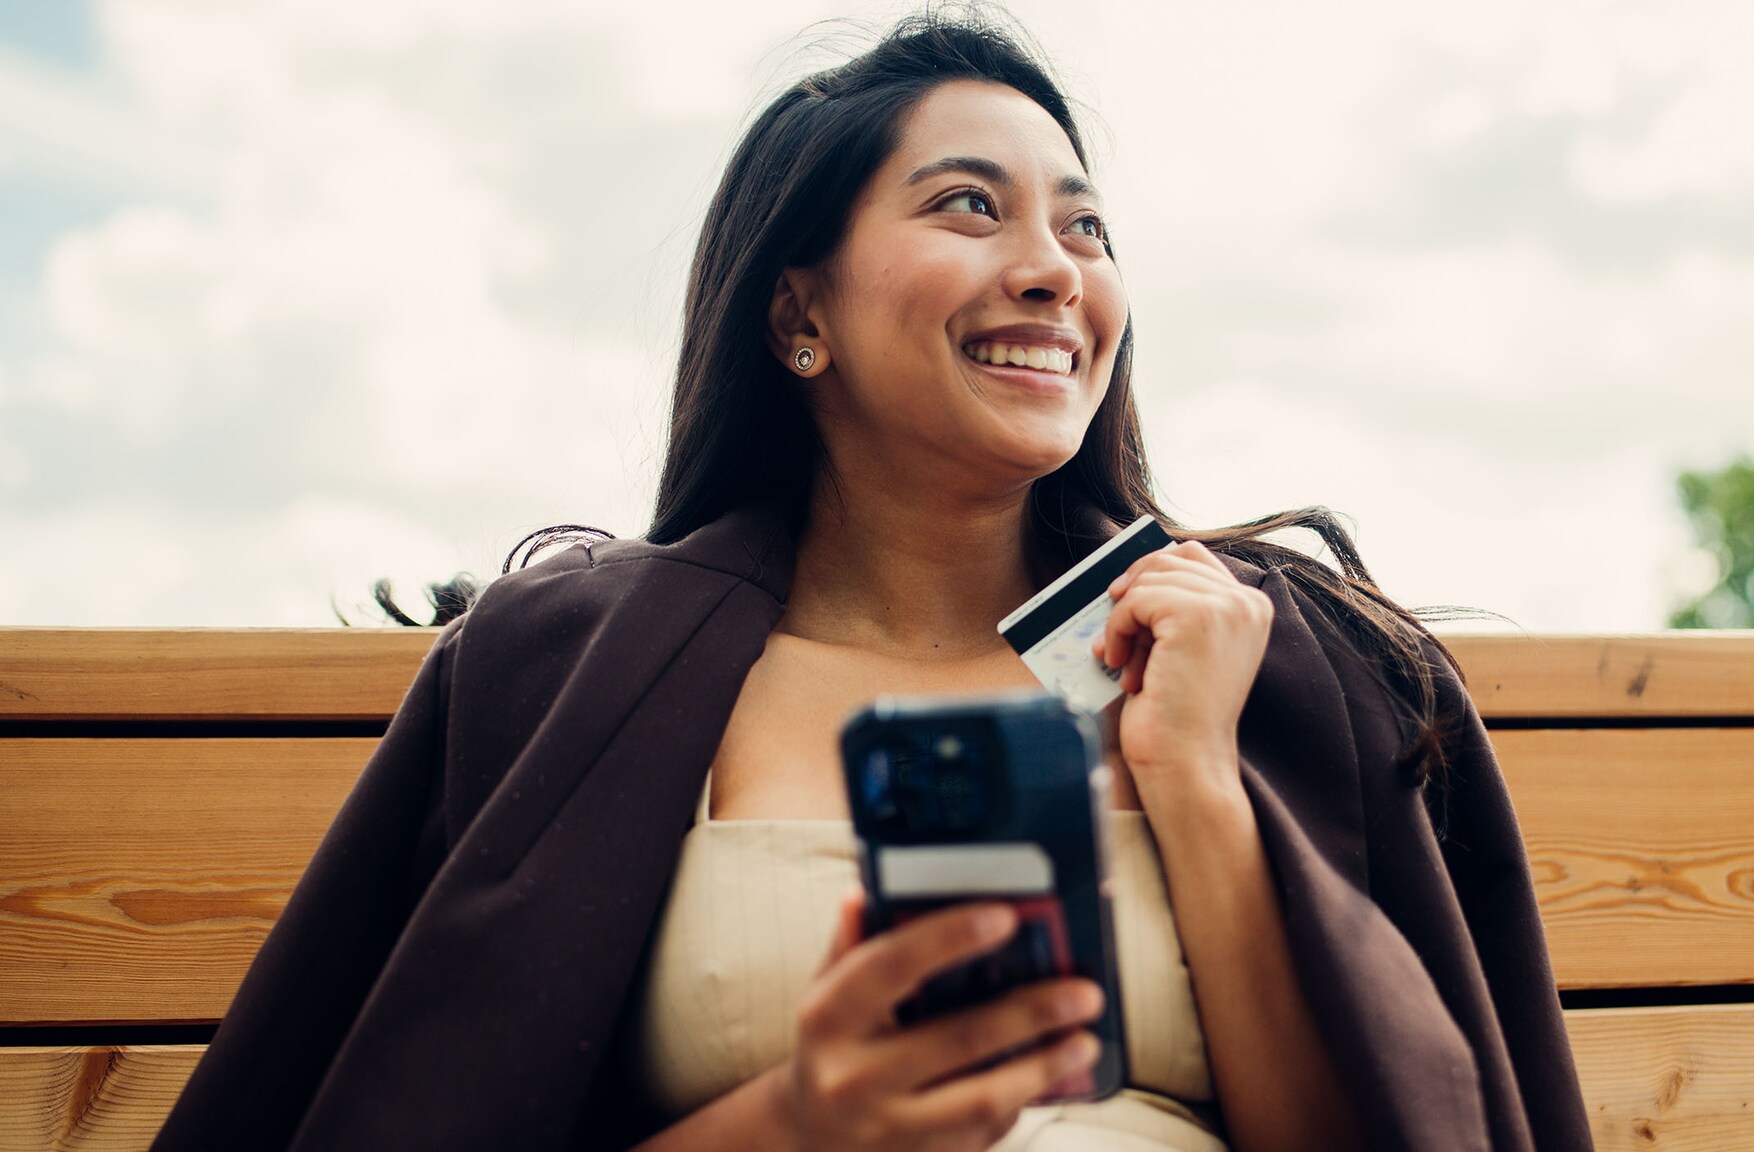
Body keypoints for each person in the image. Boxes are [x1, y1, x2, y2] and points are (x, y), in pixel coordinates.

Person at [154, 10, 1593, 1152]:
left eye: (1084, 227)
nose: (1053, 270)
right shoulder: (569, 677)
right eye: (970, 207)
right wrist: (802, 1121)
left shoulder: (1268, 664)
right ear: (800, 314)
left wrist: (1195, 781)